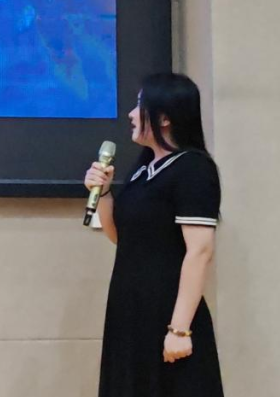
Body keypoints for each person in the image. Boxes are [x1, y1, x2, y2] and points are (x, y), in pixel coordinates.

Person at [84, 72, 224, 396]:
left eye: (139, 105)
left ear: (164, 118)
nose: (131, 115)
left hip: (167, 313)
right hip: (129, 310)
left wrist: (180, 329)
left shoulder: (193, 168)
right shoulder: (143, 170)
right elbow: (122, 238)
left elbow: (200, 251)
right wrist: (104, 193)